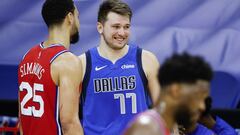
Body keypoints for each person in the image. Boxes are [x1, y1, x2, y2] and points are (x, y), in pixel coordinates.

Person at [78, 0, 160, 134]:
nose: (122, 33)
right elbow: (69, 118)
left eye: (126, 27)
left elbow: (164, 111)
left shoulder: (146, 59)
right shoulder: (82, 63)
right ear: (100, 27)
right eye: (116, 26)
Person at [18, 0, 83, 134]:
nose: (78, 22)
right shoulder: (67, 61)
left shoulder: (26, 57)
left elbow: (22, 121)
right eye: (78, 16)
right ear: (70, 18)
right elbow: (69, 123)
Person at [123, 53, 213, 135]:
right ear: (176, 91)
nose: (202, 106)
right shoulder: (146, 129)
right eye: (198, 97)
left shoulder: (160, 127)